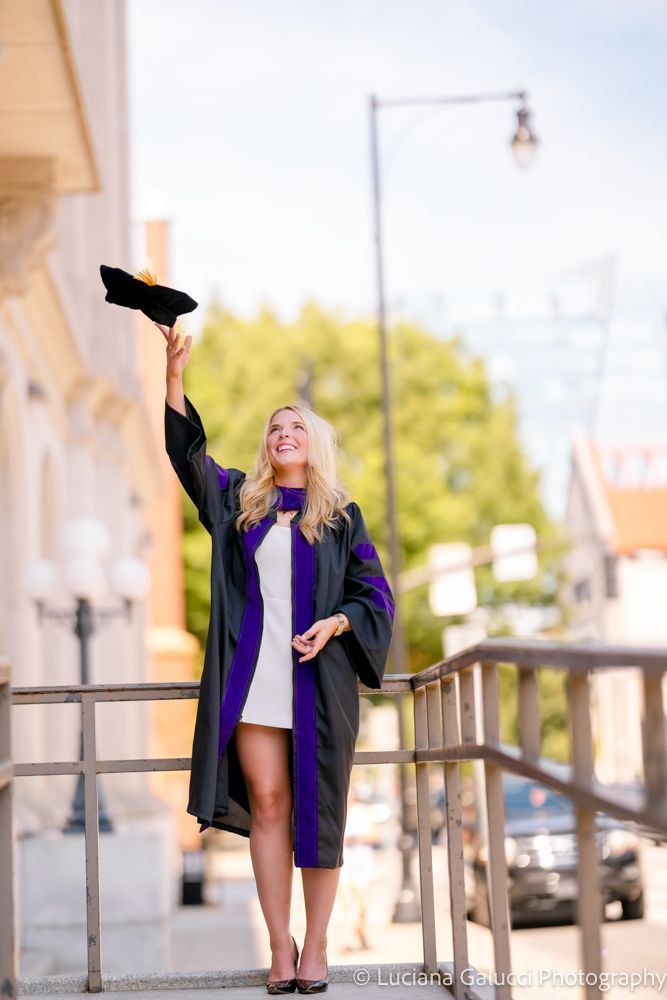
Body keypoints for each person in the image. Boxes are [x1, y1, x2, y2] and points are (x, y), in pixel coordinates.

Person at [159, 323, 395, 994]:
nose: (281, 432)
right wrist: (174, 377)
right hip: (255, 678)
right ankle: (279, 948)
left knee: (317, 811)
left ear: (312, 444)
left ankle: (318, 947)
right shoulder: (240, 504)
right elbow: (189, 458)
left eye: (293, 426)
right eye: (272, 428)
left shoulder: (341, 516)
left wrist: (338, 622)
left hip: (318, 682)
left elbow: (374, 593)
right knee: (267, 803)